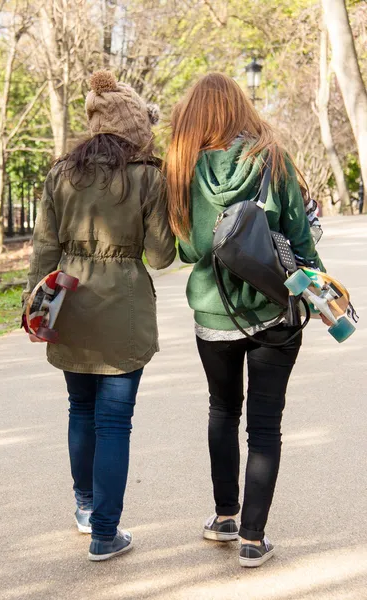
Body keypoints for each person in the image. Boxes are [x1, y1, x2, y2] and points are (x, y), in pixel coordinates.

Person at [165, 73, 325, 568]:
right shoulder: (271, 157)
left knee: (222, 411)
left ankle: (225, 517)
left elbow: (189, 249)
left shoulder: (183, 169)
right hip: (273, 309)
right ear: (241, 108)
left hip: (214, 313)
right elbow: (299, 235)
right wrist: (319, 293)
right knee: (265, 424)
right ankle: (254, 539)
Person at [22, 70, 176, 561]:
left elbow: (43, 248)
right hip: (123, 310)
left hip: (68, 303)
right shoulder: (148, 175)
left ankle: (85, 507)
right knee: (114, 422)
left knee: (79, 409)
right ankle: (105, 535)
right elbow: (159, 256)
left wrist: (33, 304)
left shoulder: (60, 172)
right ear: (135, 125)